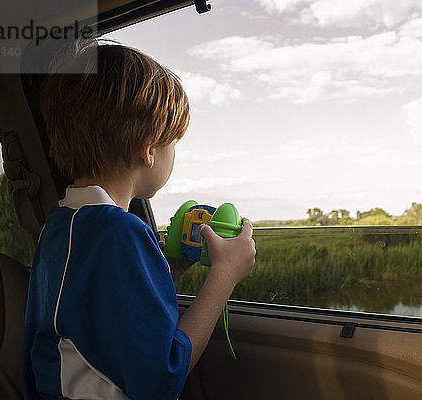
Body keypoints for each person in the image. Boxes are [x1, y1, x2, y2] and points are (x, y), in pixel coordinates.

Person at [21, 39, 256, 400]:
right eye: (173, 142)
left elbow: (101, 314)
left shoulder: (62, 224)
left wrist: (167, 268)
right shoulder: (121, 232)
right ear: (148, 149)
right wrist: (225, 274)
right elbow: (162, 378)